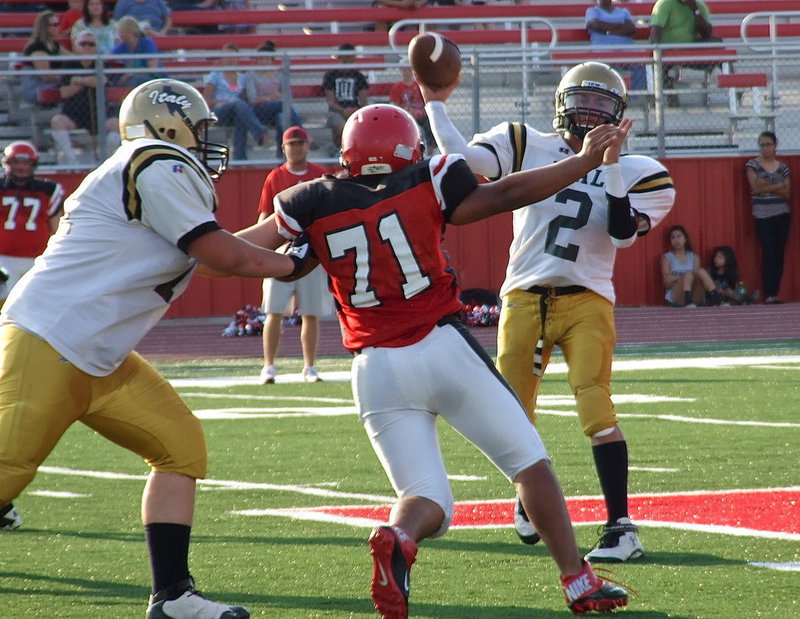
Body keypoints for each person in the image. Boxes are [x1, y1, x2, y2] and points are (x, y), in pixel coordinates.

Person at [238, 103, 631, 616]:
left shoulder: (309, 199)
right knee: (528, 464)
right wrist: (581, 162)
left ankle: (400, 535)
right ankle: (577, 580)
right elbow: (507, 192)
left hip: (375, 368)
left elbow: (240, 253)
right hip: (441, 345)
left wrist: (186, 246)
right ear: (409, 150)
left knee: (426, 499)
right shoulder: (431, 176)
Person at [0, 77, 300, 616]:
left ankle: (174, 597)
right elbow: (225, 257)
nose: (206, 138)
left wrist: (289, 223)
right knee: (6, 471)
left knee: (178, 446)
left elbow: (210, 255)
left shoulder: (161, 172)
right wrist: (297, 262)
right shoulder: (155, 160)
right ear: (168, 121)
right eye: (200, 127)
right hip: (52, 340)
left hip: (100, 357)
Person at [424, 62, 675, 562]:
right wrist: (434, 100)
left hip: (588, 298)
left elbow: (624, 234)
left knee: (595, 408)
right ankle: (528, 496)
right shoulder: (525, 141)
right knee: (511, 412)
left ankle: (621, 528)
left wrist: (611, 166)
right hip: (524, 295)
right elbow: (459, 156)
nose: (591, 112)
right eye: (583, 100)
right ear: (561, 102)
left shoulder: (646, 171)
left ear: (621, 114)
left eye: (603, 105)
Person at [256, 126, 331, 384]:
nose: (297, 148)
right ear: (283, 147)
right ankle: (269, 366)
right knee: (273, 311)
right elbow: (264, 215)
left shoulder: (320, 175)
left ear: (308, 146)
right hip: (281, 250)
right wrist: (264, 248)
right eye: (292, 144)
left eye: (301, 143)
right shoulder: (275, 177)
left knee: (311, 312)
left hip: (311, 252)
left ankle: (309, 367)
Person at [0, 142, 64, 308]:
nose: (21, 168)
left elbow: (56, 227)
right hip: (4, 259)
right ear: (7, 163)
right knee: (5, 305)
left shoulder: (48, 190)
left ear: (33, 165)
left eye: (25, 163)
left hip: (37, 258)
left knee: (37, 306)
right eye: (16, 163)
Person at [50, 31, 121, 166]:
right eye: (83, 43)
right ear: (76, 46)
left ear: (96, 47)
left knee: (117, 124)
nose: (87, 47)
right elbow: (64, 92)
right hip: (73, 115)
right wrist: (87, 81)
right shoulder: (69, 65)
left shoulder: (101, 64)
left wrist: (79, 81)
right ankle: (72, 163)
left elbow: (102, 81)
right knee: (57, 121)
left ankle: (106, 162)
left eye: (91, 44)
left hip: (100, 114)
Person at [745, 131, 791, 305]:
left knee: (779, 254)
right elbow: (755, 189)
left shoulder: (783, 167)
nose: (765, 148)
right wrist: (777, 185)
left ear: (775, 145)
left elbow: (787, 192)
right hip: (763, 215)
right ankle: (769, 293)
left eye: (768, 144)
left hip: (782, 214)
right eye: (762, 145)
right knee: (769, 252)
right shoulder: (752, 165)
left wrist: (766, 185)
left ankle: (775, 292)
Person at [202, 44, 269, 161]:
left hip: (235, 113)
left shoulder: (242, 78)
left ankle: (240, 159)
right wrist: (228, 101)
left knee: (241, 115)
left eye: (233, 57)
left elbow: (245, 101)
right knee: (236, 103)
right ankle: (261, 134)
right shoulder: (215, 76)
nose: (230, 60)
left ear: (238, 59)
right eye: (227, 57)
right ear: (222, 59)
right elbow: (205, 101)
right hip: (218, 113)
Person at [649, 0, 720, 104]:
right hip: (667, 50)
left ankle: (734, 89)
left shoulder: (700, 6)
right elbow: (656, 29)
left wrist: (695, 11)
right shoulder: (665, 3)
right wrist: (657, 48)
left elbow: (707, 33)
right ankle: (667, 90)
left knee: (718, 44)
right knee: (659, 62)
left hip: (690, 50)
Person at [245, 41, 303, 159]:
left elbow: (288, 96)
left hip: (276, 111)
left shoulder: (279, 75)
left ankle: (281, 156)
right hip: (259, 111)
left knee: (281, 118)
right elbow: (253, 99)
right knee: (282, 105)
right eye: (261, 59)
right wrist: (273, 96)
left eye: (267, 59)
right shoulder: (251, 75)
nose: (264, 62)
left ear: (272, 60)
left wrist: (269, 98)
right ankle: (302, 134)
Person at [585, 0, 647, 95]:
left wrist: (608, 30)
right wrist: (620, 25)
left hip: (627, 49)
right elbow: (596, 25)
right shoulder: (593, 11)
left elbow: (631, 28)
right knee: (612, 70)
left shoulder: (624, 11)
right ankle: (614, 97)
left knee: (640, 66)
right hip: (603, 50)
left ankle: (635, 97)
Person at [322, 43, 369, 155]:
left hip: (354, 110)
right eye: (347, 56)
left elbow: (363, 102)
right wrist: (343, 110)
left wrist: (355, 111)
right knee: (340, 126)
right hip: (336, 111)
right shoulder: (331, 75)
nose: (350, 59)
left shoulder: (359, 76)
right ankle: (339, 149)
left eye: (351, 56)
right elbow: (331, 102)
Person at [660, 224, 720, 307]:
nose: (676, 240)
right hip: (676, 296)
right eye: (673, 237)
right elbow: (666, 282)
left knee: (701, 271)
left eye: (678, 236)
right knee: (688, 273)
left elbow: (697, 276)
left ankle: (715, 296)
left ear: (685, 239)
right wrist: (684, 277)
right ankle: (686, 297)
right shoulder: (667, 258)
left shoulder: (694, 257)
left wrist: (676, 277)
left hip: (694, 294)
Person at [389, 64, 435, 152]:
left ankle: (430, 150)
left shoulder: (419, 86)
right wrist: (406, 112)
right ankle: (408, 151)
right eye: (404, 69)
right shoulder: (397, 87)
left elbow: (425, 102)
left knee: (429, 124)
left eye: (409, 69)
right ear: (401, 70)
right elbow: (395, 106)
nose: (407, 72)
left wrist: (424, 111)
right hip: (406, 114)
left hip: (420, 114)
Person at [21, 10, 63, 105]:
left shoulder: (55, 45)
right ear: (45, 28)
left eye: (58, 24)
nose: (58, 27)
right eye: (55, 25)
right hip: (37, 87)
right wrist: (68, 77)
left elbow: (74, 58)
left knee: (79, 84)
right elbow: (46, 77)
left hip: (53, 83)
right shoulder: (37, 47)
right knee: (75, 85)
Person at [111, 16, 164, 87]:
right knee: (115, 81)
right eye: (119, 32)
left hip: (152, 78)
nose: (120, 35)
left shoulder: (147, 43)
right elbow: (109, 56)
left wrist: (131, 73)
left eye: (122, 32)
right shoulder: (123, 46)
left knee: (135, 80)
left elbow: (152, 68)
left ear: (131, 31)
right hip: (132, 77)